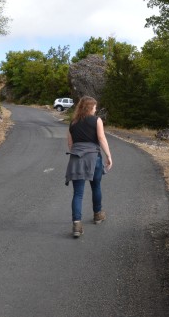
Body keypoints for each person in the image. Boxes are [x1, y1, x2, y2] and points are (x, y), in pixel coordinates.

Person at [65, 96, 113, 238]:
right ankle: (98, 215)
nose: (96, 109)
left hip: (76, 158)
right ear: (90, 107)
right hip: (93, 157)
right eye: (95, 107)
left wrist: (78, 151)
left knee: (78, 193)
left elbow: (70, 144)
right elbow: (101, 138)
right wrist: (108, 156)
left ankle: (77, 225)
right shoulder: (96, 120)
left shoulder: (72, 123)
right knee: (96, 186)